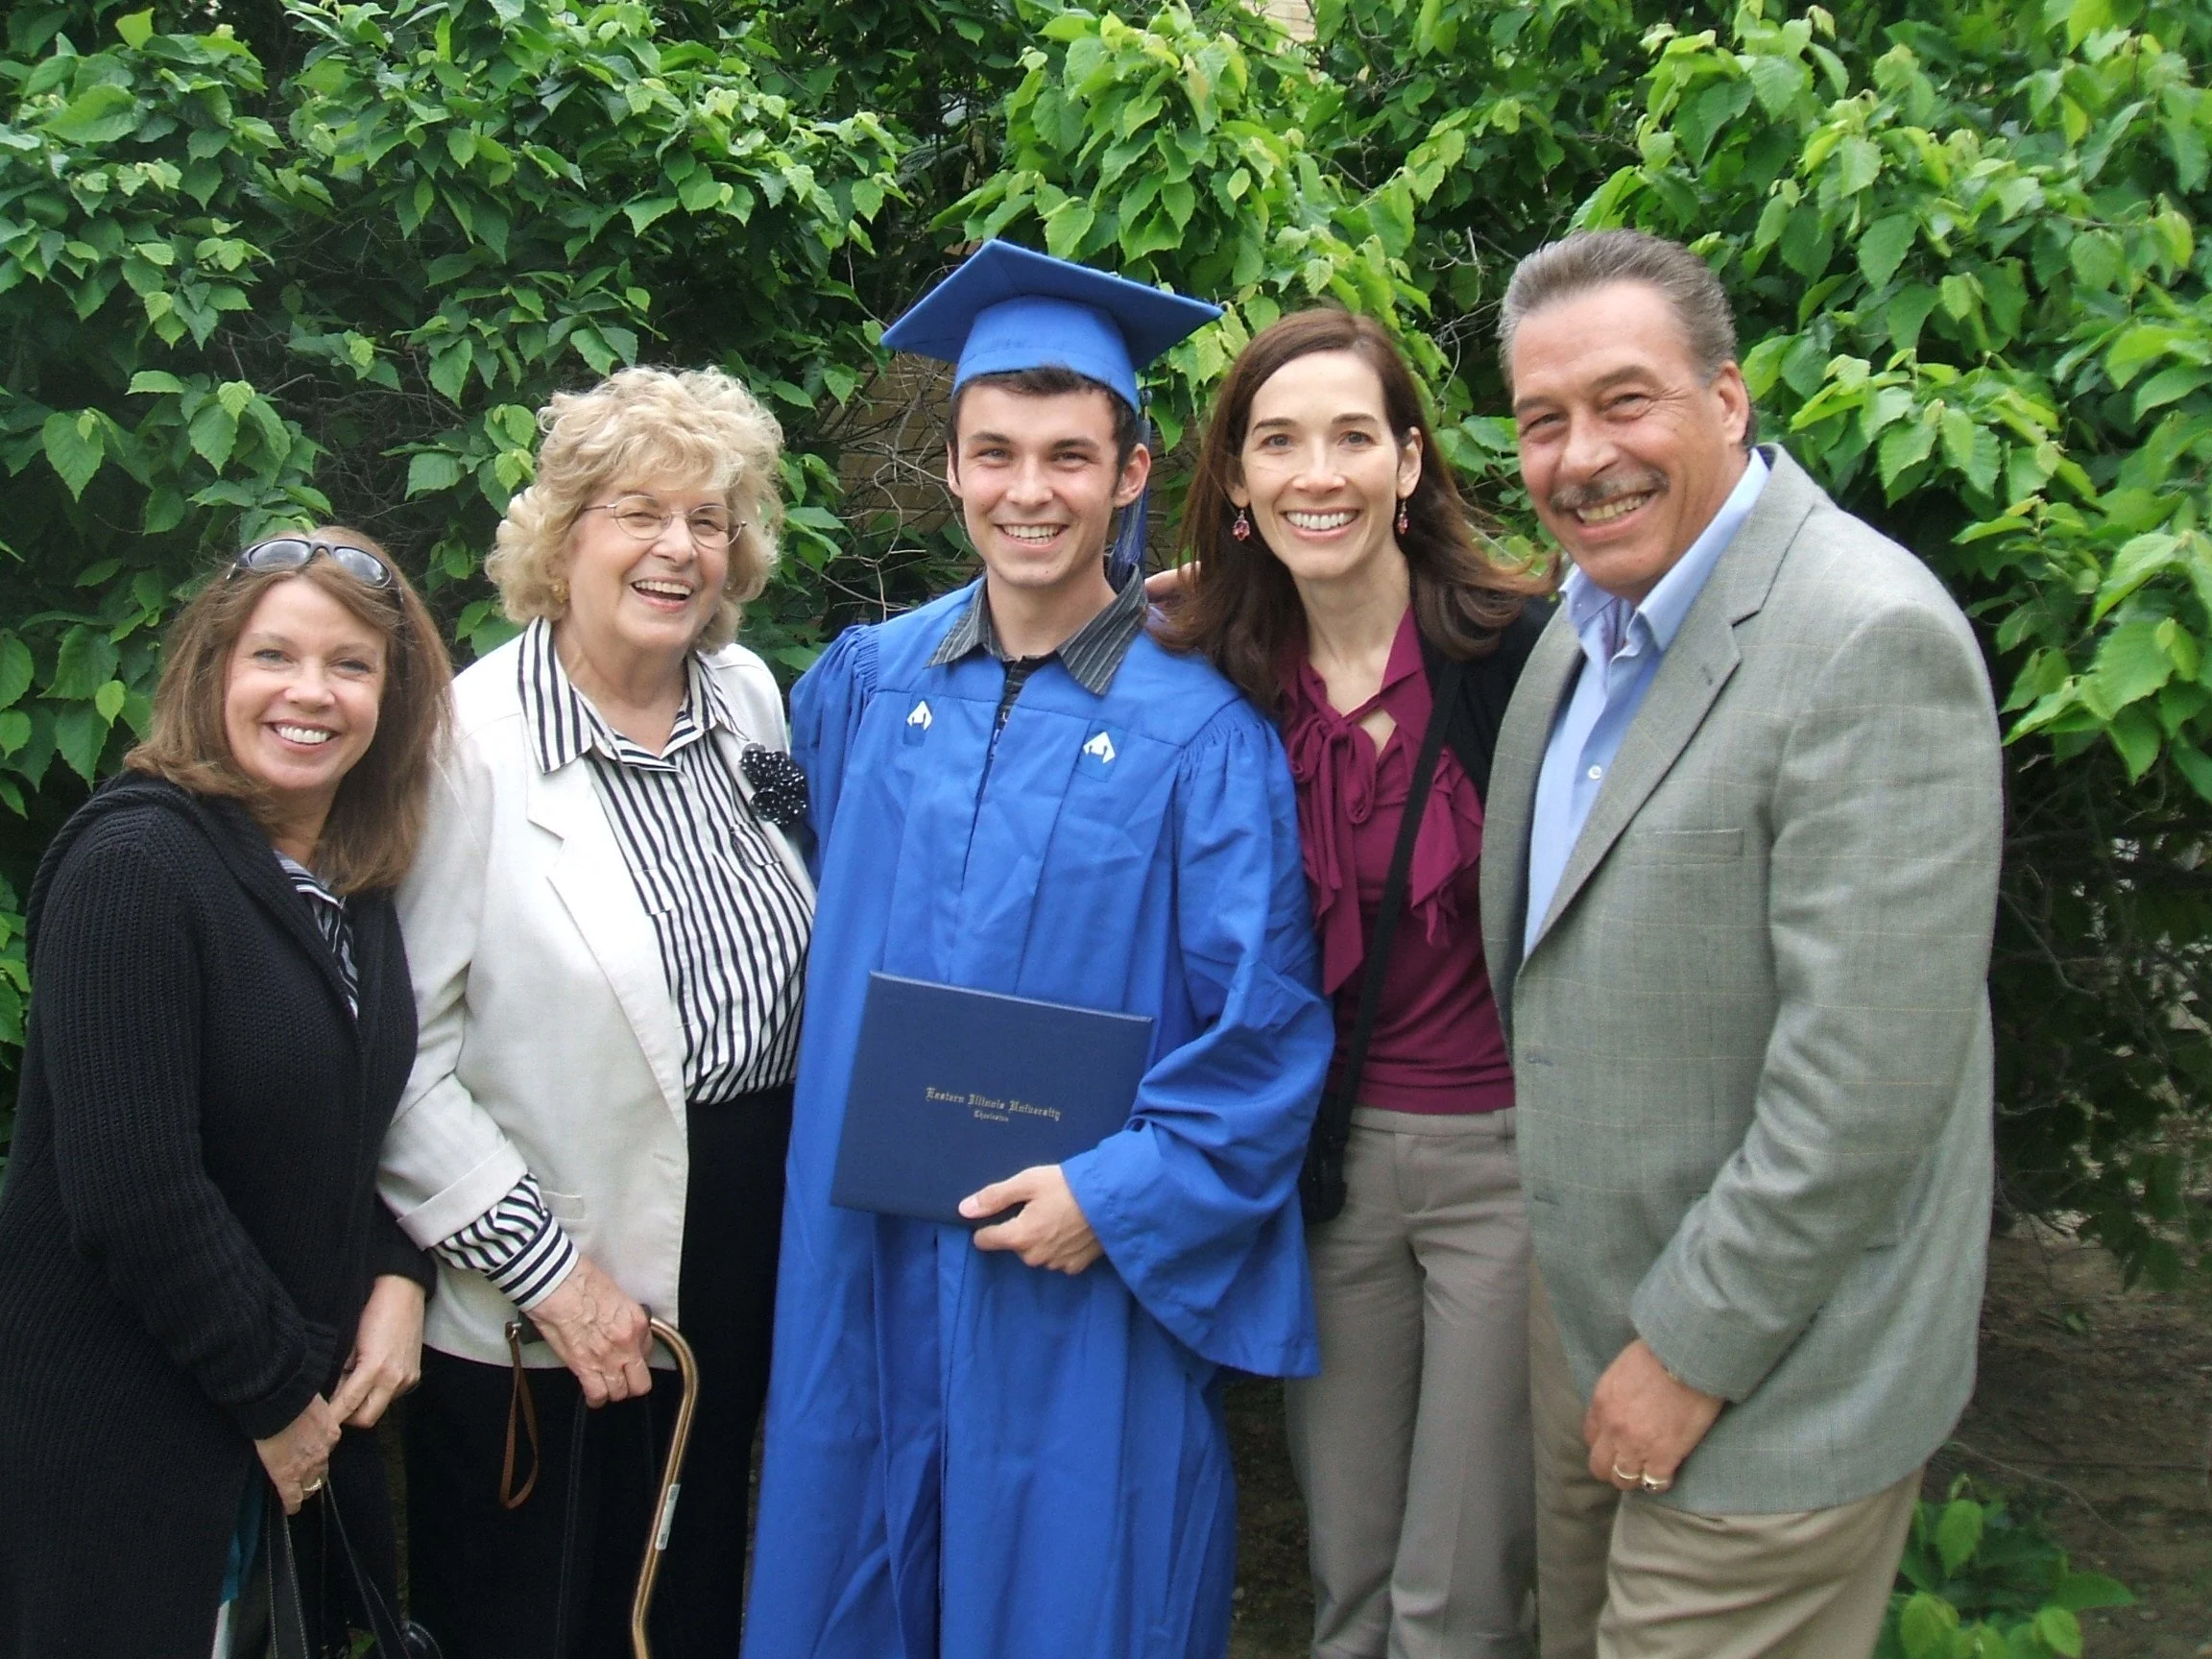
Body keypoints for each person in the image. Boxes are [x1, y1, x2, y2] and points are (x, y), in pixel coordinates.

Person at [741, 240, 1335, 1659]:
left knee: (1074, 1587)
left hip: (1074, 1268)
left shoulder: (1205, 735)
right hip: (866, 1254)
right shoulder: (866, 686)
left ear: (1131, 474)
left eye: (1069, 457)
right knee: (852, 1568)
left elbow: (1261, 1029)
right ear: (949, 469)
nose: (1029, 492)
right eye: (995, 454)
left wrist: (1118, 1198)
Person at [1476, 228, 2005, 1659]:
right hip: (1589, 1329)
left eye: (1624, 401)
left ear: (1726, 398)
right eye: (1543, 419)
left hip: (1763, 1379)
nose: (1583, 456)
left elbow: (1863, 1086)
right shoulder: (1587, 628)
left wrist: (1689, 1354)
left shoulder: (1866, 639)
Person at [375, 367, 813, 1657]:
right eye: (638, 512)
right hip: (549, 1280)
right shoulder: (463, 745)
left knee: (687, 1595)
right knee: (542, 1610)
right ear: (563, 535)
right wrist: (552, 1275)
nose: (679, 548)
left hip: (740, 1243)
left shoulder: (748, 699)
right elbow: (399, 1065)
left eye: (709, 518)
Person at [1164, 307, 1551, 1659]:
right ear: (1237, 478)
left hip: (1507, 1166)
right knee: (1350, 1576)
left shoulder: (1520, 658)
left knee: (1459, 1595)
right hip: (1326, 1170)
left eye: (1351, 437)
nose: (1316, 473)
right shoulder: (1216, 675)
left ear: (1409, 461)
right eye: (1277, 442)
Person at [0, 531, 450, 1657]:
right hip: (133, 1453)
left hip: (266, 1445)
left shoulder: (349, 888)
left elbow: (341, 1129)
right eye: (274, 656)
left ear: (392, 701)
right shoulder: (135, 868)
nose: (311, 692)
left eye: (351, 665)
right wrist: (278, 1400)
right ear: (214, 671)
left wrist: (401, 1271)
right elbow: (134, 1190)